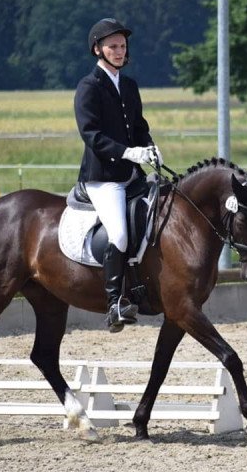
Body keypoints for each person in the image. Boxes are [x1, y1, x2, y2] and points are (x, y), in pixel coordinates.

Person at [74, 17, 163, 333]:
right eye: (112, 46)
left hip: (132, 174)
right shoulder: (89, 87)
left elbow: (138, 127)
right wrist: (128, 152)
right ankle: (114, 303)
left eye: (122, 46)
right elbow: (91, 134)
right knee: (120, 234)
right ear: (98, 49)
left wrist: (150, 148)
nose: (118, 50)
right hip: (104, 178)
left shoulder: (129, 85)